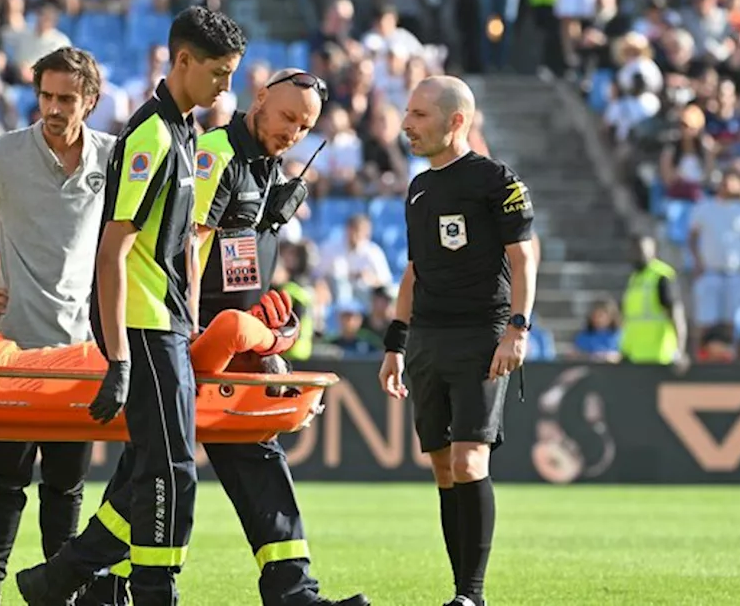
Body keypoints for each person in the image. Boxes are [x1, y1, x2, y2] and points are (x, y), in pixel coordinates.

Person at [51, 69, 368, 606]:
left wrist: (267, 317)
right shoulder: (215, 152)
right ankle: (75, 579)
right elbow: (188, 249)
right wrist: (197, 330)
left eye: (305, 126)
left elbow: (237, 254)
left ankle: (78, 581)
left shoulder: (265, 166)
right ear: (260, 98)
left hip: (230, 343)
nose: (293, 131)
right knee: (163, 471)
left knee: (168, 469)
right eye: (288, 116)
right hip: (201, 344)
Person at [16, 5, 247, 606]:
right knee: (172, 471)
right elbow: (114, 249)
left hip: (163, 320)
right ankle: (152, 590)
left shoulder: (184, 130)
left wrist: (187, 317)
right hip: (142, 324)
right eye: (220, 73)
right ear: (183, 62)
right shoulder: (150, 135)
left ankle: (59, 580)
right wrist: (119, 356)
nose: (227, 86)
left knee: (147, 469)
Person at [0, 47, 117, 606]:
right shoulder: (3, 153)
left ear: (90, 100)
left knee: (65, 487)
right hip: (12, 349)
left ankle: (57, 587)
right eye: (46, 96)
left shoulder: (114, 159)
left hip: (80, 352)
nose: (54, 108)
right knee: (6, 478)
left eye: (67, 98)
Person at [377, 76, 537, 606]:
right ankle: (460, 593)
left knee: (470, 461)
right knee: (444, 467)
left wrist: (517, 328)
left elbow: (523, 257)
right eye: (407, 113)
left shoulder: (495, 181)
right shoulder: (419, 187)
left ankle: (472, 594)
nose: (407, 124)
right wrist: (395, 345)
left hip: (481, 335)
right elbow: (414, 271)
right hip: (427, 339)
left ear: (456, 121)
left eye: (419, 115)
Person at [618, 235, 688, 367]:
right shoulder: (634, 279)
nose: (636, 254)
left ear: (653, 251)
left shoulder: (661, 276)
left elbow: (677, 314)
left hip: (659, 356)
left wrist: (680, 351)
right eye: (633, 251)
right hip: (634, 356)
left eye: (641, 250)